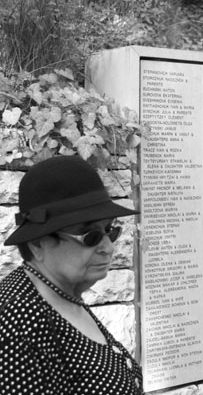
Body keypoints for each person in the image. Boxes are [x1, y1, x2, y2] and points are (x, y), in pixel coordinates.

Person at [0, 155, 143, 394]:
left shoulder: (60, 294)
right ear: (38, 243)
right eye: (90, 236)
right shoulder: (22, 318)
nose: (108, 248)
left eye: (109, 231)